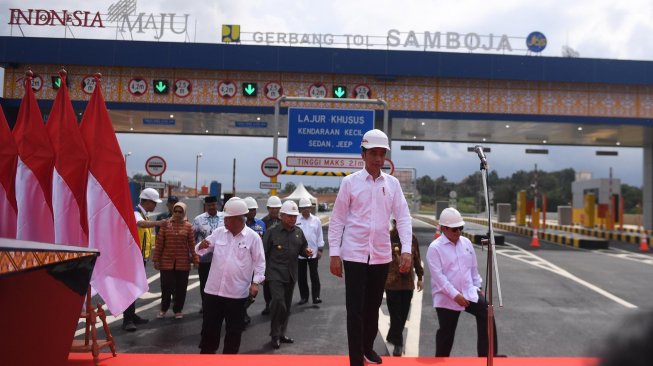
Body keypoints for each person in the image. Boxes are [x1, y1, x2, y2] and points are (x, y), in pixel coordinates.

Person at [328, 129, 413, 366]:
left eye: (381, 154)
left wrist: (406, 249)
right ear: (362, 154)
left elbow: (403, 217)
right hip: (354, 255)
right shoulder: (350, 183)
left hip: (381, 256)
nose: (378, 159)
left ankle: (367, 347)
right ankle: (356, 358)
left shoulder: (393, 184)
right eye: (373, 153)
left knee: (374, 306)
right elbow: (337, 220)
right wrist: (334, 254)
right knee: (354, 309)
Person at [426, 207, 500, 357]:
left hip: (469, 292)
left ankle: (487, 356)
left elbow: (473, 268)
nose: (458, 232)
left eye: (460, 228)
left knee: (487, 312)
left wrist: (478, 287)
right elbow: (439, 278)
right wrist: (455, 295)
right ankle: (441, 360)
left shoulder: (466, 243)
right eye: (454, 229)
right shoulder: (435, 249)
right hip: (447, 297)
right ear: (444, 228)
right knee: (447, 333)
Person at [195, 198, 266, 354]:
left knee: (233, 334)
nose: (224, 220)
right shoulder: (219, 233)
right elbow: (199, 251)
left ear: (239, 219)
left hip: (236, 294)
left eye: (227, 218)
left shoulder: (253, 237)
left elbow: (260, 263)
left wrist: (255, 283)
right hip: (213, 292)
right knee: (209, 332)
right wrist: (201, 246)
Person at [262, 200, 313, 349]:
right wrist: (262, 274)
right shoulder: (272, 231)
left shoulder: (298, 232)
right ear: (282, 215)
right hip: (275, 273)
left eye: (294, 216)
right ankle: (275, 334)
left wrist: (307, 252)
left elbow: (303, 247)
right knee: (278, 302)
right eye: (289, 216)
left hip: (291, 274)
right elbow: (263, 253)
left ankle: (281, 333)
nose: (293, 219)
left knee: (287, 306)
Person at [123, 187, 170, 331]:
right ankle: (127, 320)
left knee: (135, 288)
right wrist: (159, 223)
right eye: (154, 202)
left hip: (140, 257)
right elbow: (139, 224)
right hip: (133, 257)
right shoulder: (136, 213)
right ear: (147, 201)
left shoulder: (145, 215)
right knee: (131, 289)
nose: (155, 205)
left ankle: (131, 315)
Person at [153, 201, 200, 319]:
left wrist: (195, 260)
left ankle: (178, 310)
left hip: (182, 262)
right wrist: (156, 260)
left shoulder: (188, 226)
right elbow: (159, 244)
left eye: (180, 211)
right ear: (172, 211)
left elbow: (192, 244)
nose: (178, 214)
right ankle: (163, 309)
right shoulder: (165, 224)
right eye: (176, 211)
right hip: (166, 262)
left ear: (184, 212)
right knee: (166, 287)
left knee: (181, 288)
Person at [385, 218, 424, 357]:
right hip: (391, 282)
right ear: (395, 223)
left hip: (407, 283)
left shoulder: (412, 238)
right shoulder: (387, 237)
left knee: (403, 313)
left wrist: (420, 277)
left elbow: (417, 258)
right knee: (395, 314)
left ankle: (392, 335)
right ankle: (398, 343)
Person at [192, 195, 224, 313]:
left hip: (221, 258)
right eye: (209, 205)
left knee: (220, 282)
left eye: (213, 204)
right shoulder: (198, 219)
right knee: (204, 283)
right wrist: (194, 256)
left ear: (217, 204)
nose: (211, 207)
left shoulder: (224, 217)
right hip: (204, 259)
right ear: (205, 206)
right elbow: (192, 238)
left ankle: (219, 305)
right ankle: (205, 305)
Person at [296, 197, 325, 305]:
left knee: (314, 276)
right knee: (301, 277)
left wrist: (320, 249)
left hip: (313, 253)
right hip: (300, 253)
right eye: (303, 208)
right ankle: (304, 297)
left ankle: (316, 297)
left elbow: (320, 236)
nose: (306, 210)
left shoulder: (316, 220)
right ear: (300, 209)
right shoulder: (296, 220)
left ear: (311, 208)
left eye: (307, 207)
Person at [243, 196, 266, 325]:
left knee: (253, 292)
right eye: (249, 210)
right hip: (242, 263)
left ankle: (243, 310)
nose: (252, 212)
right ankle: (242, 314)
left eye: (254, 210)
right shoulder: (239, 224)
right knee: (242, 290)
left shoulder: (261, 224)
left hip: (256, 262)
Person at [260, 195, 283, 315]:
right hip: (268, 258)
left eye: (277, 208)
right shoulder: (262, 222)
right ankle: (268, 304)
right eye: (272, 208)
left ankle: (279, 305)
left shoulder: (284, 221)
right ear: (268, 208)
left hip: (281, 258)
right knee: (267, 283)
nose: (274, 210)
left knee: (281, 282)